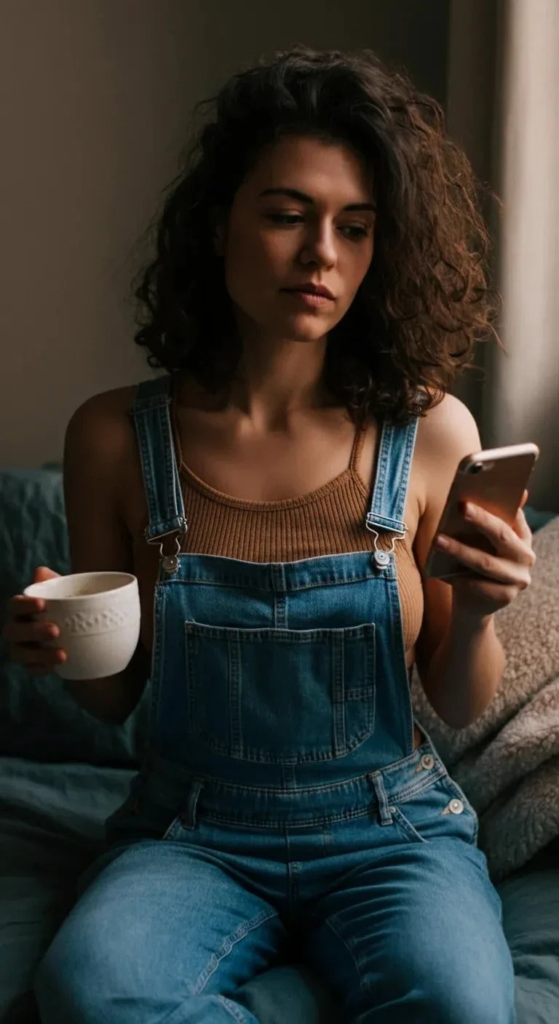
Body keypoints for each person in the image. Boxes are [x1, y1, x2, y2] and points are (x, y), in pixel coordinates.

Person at [2, 45, 534, 1024]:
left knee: (464, 1008)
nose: (320, 253)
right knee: (86, 994)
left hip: (391, 827)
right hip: (190, 828)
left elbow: (457, 700)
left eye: (355, 227)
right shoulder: (116, 435)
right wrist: (56, 647)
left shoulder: (433, 432)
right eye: (286, 214)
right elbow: (115, 693)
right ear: (218, 226)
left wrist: (483, 614)